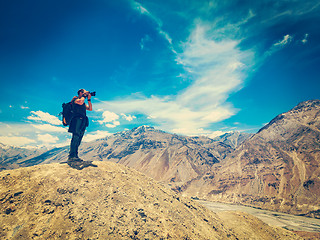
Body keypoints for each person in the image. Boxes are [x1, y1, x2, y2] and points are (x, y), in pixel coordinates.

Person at [68, 89, 92, 163]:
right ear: (80, 93)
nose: (86, 93)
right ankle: (71, 156)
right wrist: (84, 96)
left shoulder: (83, 102)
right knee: (75, 137)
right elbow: (80, 102)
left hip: (83, 121)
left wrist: (89, 99)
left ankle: (75, 155)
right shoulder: (75, 99)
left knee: (79, 138)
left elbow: (90, 109)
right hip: (76, 120)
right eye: (85, 92)